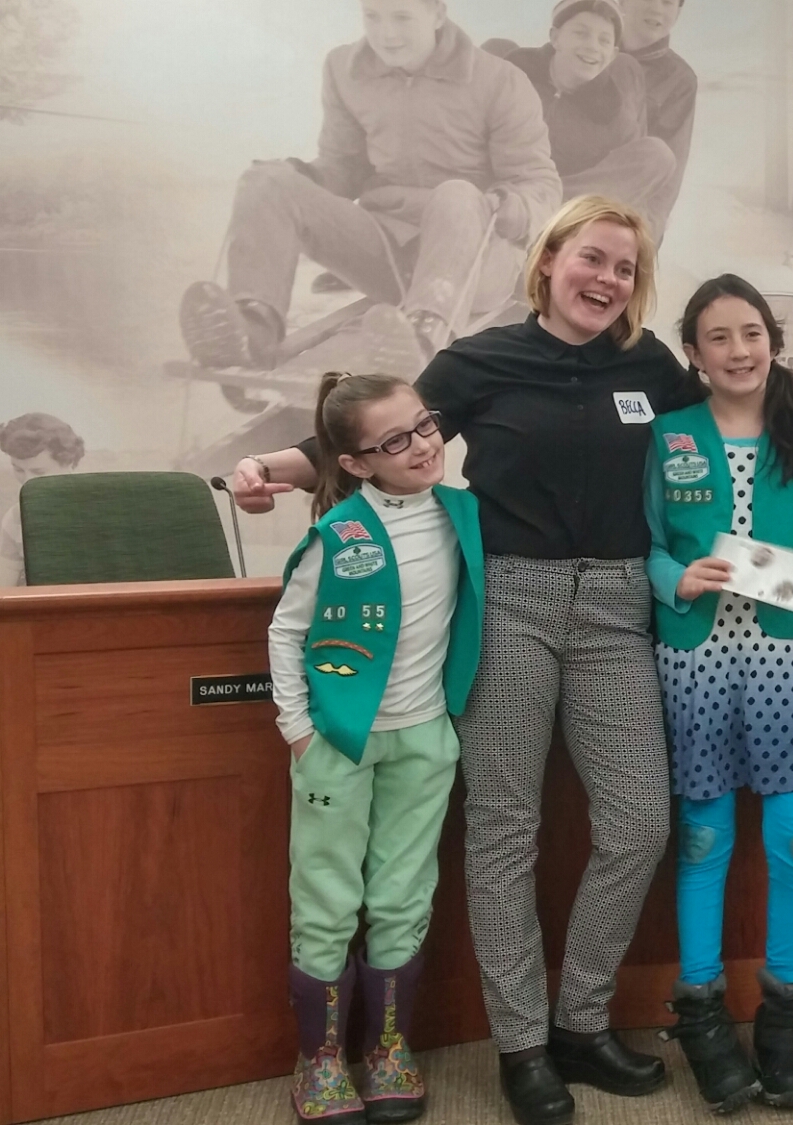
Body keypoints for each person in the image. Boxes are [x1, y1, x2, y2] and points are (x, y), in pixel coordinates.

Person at [229, 195, 701, 1125]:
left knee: (641, 821)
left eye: (625, 268)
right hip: (512, 603)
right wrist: (270, 469)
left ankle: (582, 1020)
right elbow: (372, 434)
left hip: (617, 610)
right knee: (503, 830)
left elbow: (725, 436)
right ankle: (521, 1043)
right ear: (549, 258)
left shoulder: (649, 365)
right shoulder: (481, 359)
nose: (607, 279)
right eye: (592, 257)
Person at [644, 275, 793, 1113]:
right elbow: (645, 540)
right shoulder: (668, 435)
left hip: (787, 653)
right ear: (692, 352)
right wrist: (675, 576)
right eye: (718, 337)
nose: (738, 350)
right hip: (697, 655)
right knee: (703, 838)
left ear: (773, 340)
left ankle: (786, 1013)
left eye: (752, 332)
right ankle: (701, 1011)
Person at [270, 372, 483, 1125]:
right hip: (337, 741)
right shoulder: (340, 533)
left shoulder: (462, 514)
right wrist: (298, 730)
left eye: (425, 424)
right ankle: (322, 1058)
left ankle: (389, 1047)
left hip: (424, 737)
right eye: (395, 441)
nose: (422, 445)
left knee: (404, 892)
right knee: (327, 898)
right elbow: (286, 631)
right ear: (356, 463)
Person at [179, 0, 560, 375]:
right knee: (267, 181)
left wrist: (509, 206)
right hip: (389, 252)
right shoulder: (347, 71)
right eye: (372, 16)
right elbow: (344, 165)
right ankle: (253, 329)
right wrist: (305, 177)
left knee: (455, 194)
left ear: (438, 14)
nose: (385, 33)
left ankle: (425, 338)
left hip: (476, 256)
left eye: (401, 17)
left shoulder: (498, 80)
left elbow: (539, 183)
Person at [491, 0, 684, 242]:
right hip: (507, 186)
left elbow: (629, 186)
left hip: (562, 203)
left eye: (604, 40)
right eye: (581, 33)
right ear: (555, 37)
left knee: (658, 156)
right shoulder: (517, 74)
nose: (592, 47)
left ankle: (552, 214)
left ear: (613, 54)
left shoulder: (612, 113)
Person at [619, 0, 698, 217]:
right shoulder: (587, 53)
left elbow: (667, 180)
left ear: (678, 12)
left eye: (667, 2)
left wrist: (646, 231)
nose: (656, 9)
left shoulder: (679, 79)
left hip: (623, 212)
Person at [0, 412, 86, 587]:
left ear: (69, 463)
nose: (27, 480)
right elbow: (4, 585)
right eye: (18, 470)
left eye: (38, 472)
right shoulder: (16, 517)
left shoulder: (101, 506)